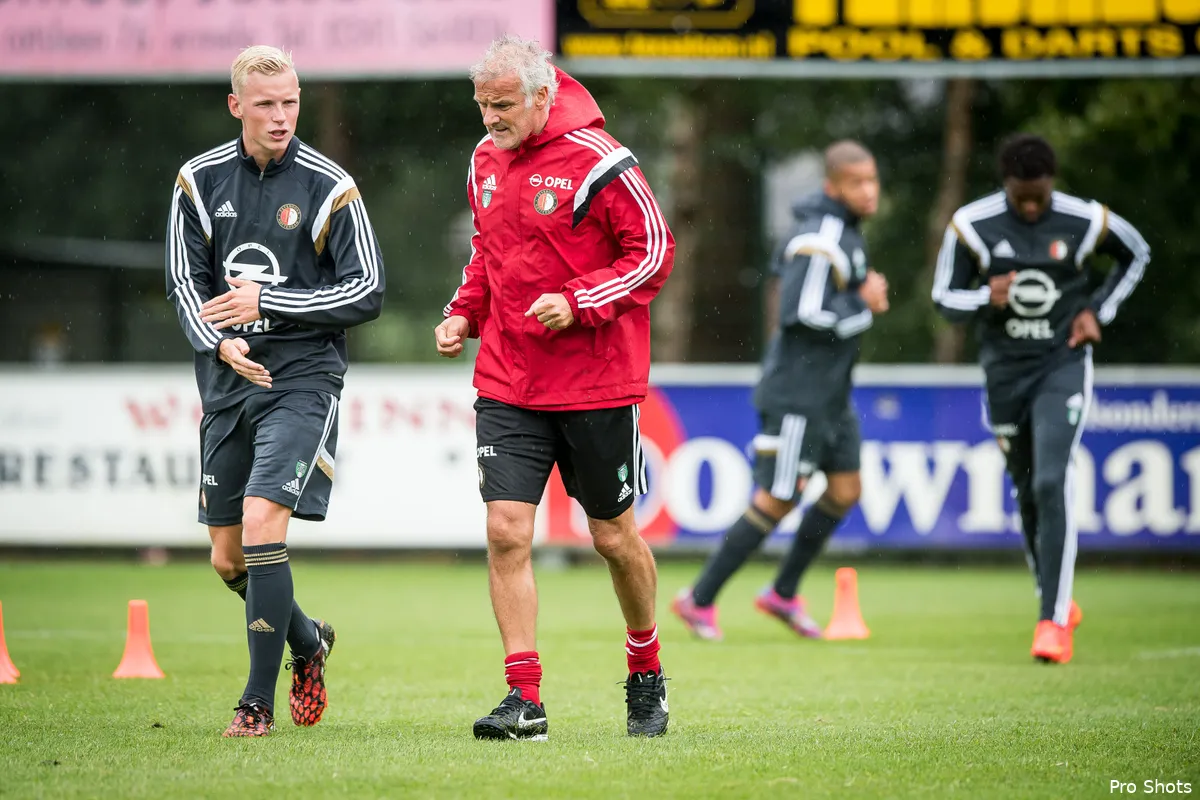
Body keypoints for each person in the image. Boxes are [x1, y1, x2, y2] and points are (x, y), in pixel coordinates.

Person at [435, 35, 674, 740]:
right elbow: (488, 251)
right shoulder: (483, 160)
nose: (490, 119)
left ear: (543, 95)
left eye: (503, 105)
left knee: (611, 536)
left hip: (595, 383)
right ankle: (524, 698)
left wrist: (580, 300)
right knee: (506, 532)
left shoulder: (603, 161)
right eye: (481, 105)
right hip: (508, 379)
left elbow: (654, 250)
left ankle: (645, 669)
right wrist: (462, 312)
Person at [166, 45, 384, 736]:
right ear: (237, 106)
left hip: (302, 379)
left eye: (290, 101)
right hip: (228, 380)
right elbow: (182, 282)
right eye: (265, 104)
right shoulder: (198, 181)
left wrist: (274, 301)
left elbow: (368, 290)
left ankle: (255, 705)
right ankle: (308, 642)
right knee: (228, 556)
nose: (281, 115)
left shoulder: (330, 185)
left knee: (264, 523)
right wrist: (217, 342)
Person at [932, 133, 1149, 664]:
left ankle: (1051, 621)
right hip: (1004, 372)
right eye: (1020, 197)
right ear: (1005, 184)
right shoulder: (971, 225)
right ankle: (1054, 601)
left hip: (1062, 363)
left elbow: (1136, 254)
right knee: (1027, 491)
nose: (1030, 207)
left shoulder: (1086, 220)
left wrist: (1098, 309)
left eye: (1039, 196)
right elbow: (943, 298)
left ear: (1051, 184)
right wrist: (987, 296)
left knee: (1053, 479)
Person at [671, 142, 888, 642]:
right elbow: (800, 312)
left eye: (873, 180)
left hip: (832, 395)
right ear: (833, 186)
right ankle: (698, 599)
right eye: (858, 182)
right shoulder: (821, 238)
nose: (870, 191)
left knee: (844, 490)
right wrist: (863, 305)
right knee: (779, 496)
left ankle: (782, 593)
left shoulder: (847, 233)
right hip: (798, 394)